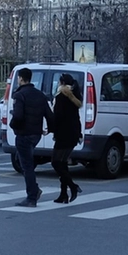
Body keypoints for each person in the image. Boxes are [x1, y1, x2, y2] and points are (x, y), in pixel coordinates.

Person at [9, 68, 52, 207]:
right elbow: (49, 115)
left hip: (23, 134)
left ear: (21, 79)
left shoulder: (19, 95)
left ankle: (32, 196)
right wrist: (50, 129)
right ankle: (34, 189)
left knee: (26, 165)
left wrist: (12, 124)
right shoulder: (40, 95)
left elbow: (18, 116)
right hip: (36, 134)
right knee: (21, 160)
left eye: (18, 78)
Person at [50, 73, 83, 204]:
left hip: (63, 135)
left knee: (55, 162)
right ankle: (63, 194)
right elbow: (76, 118)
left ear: (62, 83)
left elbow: (57, 118)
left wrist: (52, 130)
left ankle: (73, 186)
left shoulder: (60, 97)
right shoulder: (74, 97)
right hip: (73, 134)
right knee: (62, 163)